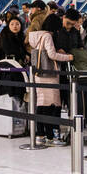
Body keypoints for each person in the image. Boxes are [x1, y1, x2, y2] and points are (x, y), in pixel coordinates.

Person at [28, 12, 74, 142]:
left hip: (40, 73)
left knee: (42, 104)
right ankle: (50, 136)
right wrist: (68, 57)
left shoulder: (38, 36)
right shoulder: (47, 36)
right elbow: (52, 55)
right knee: (51, 105)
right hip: (49, 73)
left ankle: (40, 134)